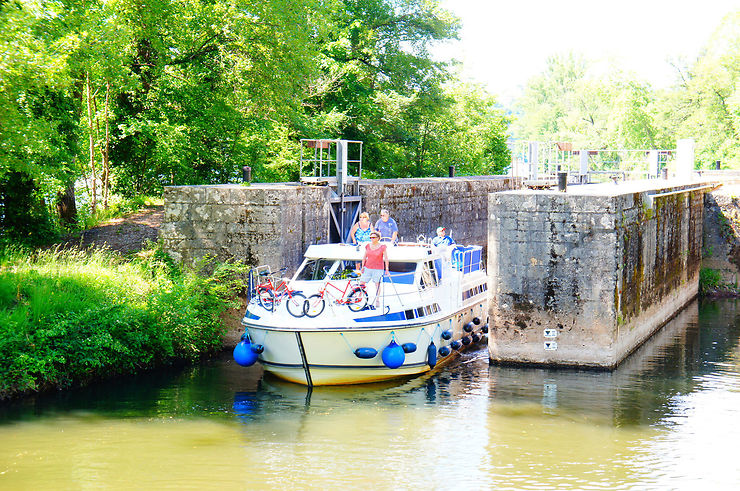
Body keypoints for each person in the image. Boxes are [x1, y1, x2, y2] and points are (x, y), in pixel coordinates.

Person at [359, 231, 389, 308]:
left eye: (373, 237)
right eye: (371, 237)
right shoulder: (368, 246)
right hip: (368, 267)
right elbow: (364, 257)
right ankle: (358, 297)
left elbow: (386, 258)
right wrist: (362, 267)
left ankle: (377, 299)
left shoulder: (382, 247)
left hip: (378, 268)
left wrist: (387, 269)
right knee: (362, 283)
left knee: (377, 284)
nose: (372, 239)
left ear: (378, 238)